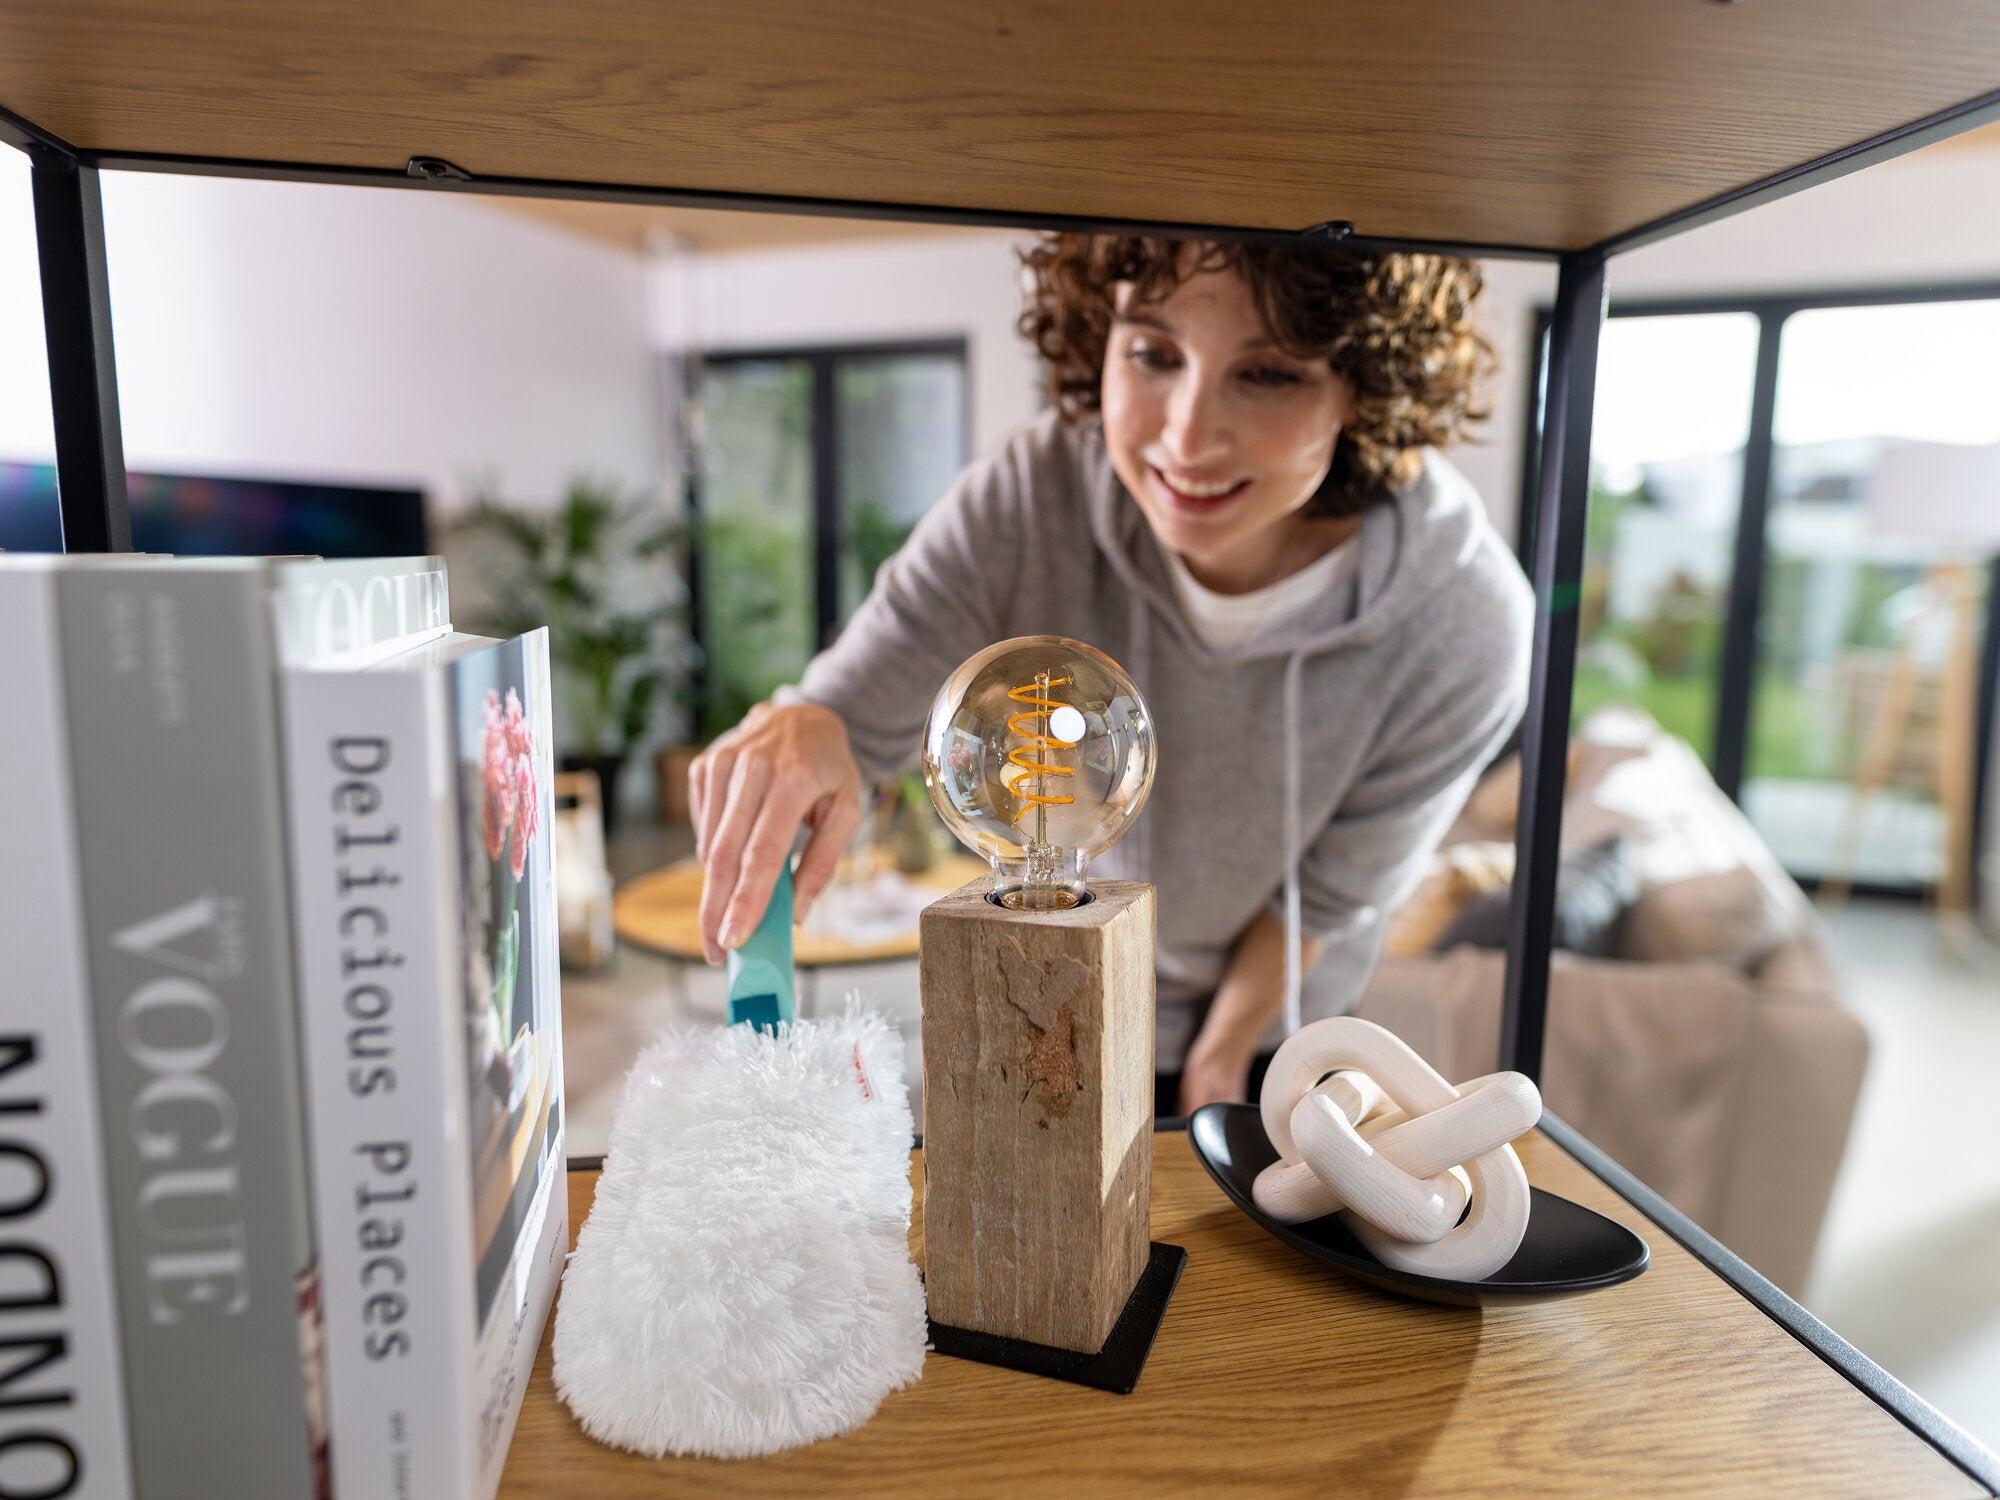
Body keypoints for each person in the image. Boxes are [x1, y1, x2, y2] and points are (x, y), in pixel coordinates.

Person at [689, 234, 1532, 1118]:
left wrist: (1220, 1056)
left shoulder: (1461, 621)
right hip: (1058, 1001)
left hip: (1274, 1038)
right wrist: (812, 724)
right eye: (1154, 354)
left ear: (1362, 387)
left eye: (1270, 373)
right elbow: (850, 712)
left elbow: (1323, 901)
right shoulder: (1030, 498)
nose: (1186, 435)